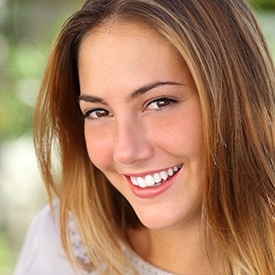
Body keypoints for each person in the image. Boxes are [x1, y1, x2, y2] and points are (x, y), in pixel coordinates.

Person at [15, 0, 275, 274]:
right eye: (98, 112)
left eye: (159, 103)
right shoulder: (60, 248)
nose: (125, 151)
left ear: (236, 101)